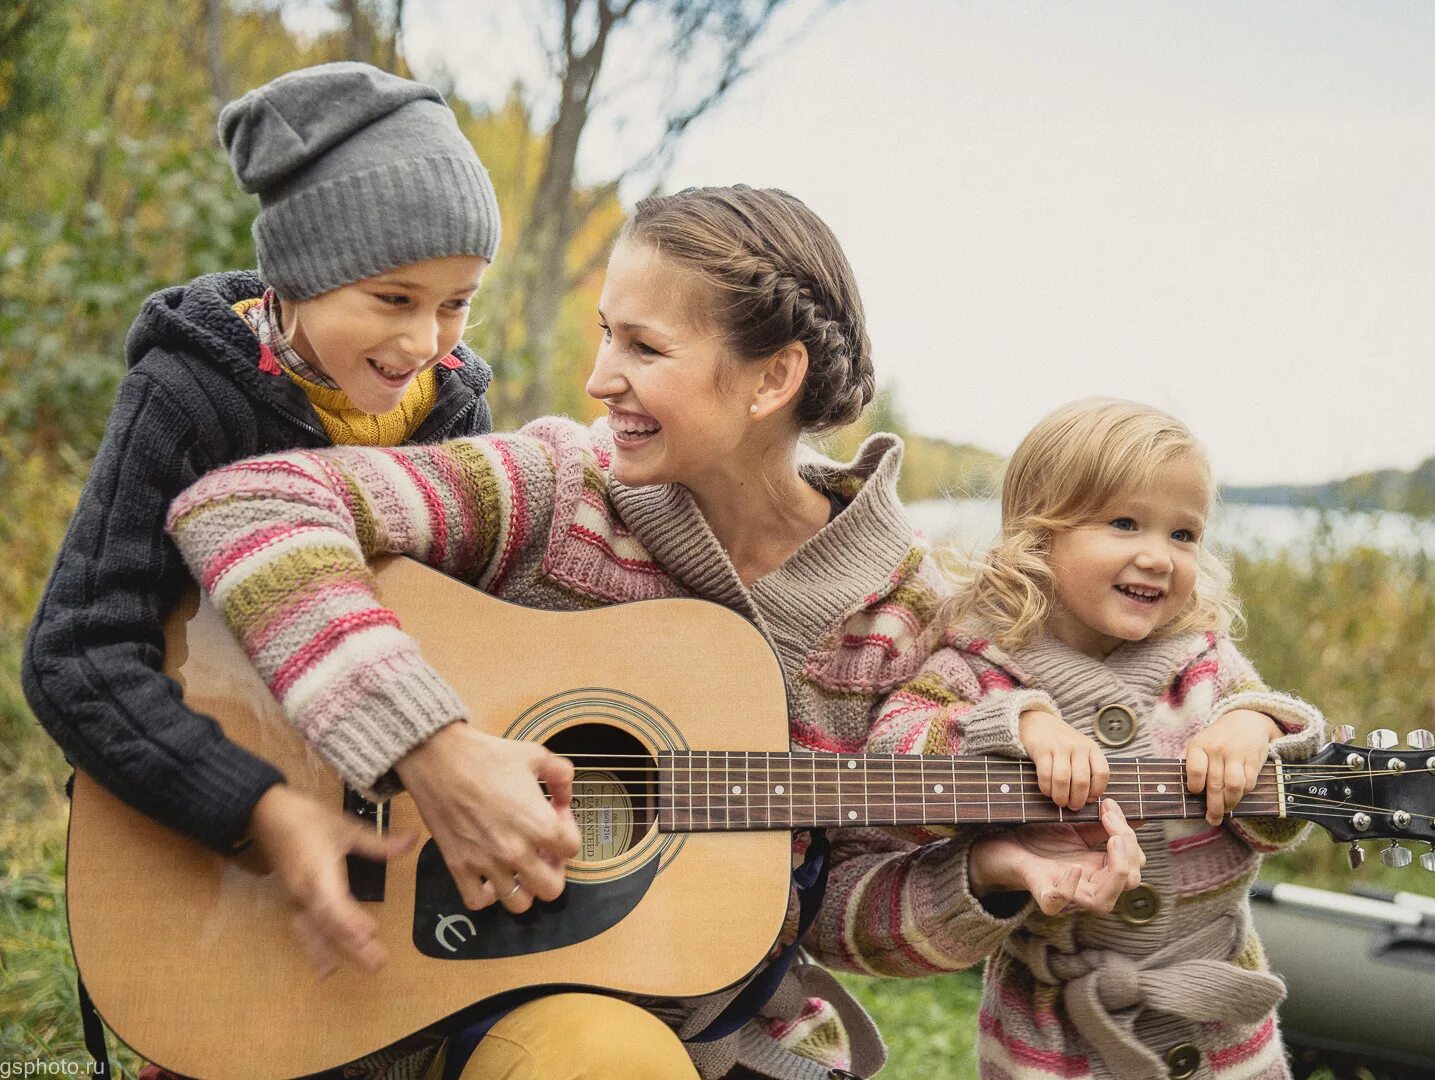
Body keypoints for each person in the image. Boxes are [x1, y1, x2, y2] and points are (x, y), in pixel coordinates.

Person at [163, 186, 1145, 1080]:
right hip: (421, 998)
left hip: (715, 1027)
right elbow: (246, 506)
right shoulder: (559, 489)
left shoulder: (906, 611)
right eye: (605, 338)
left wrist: (989, 871)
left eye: (643, 348)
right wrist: (431, 750)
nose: (598, 378)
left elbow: (835, 911)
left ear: (770, 381)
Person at [21, 60, 527, 1007]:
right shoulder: (186, 398)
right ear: (297, 277)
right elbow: (76, 655)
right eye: (393, 298)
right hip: (217, 843)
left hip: (390, 860)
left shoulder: (456, 410)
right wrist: (258, 807)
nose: (428, 341)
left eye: (457, 303)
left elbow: (479, 637)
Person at [817, 398, 1325, 1080]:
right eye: (1124, 523)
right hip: (1052, 1040)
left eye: (1184, 534)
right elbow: (898, 758)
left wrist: (1257, 726)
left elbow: (1278, 822)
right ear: (1038, 535)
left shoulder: (1204, 664)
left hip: (1217, 1035)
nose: (1159, 556)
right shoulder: (976, 666)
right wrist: (1017, 723)